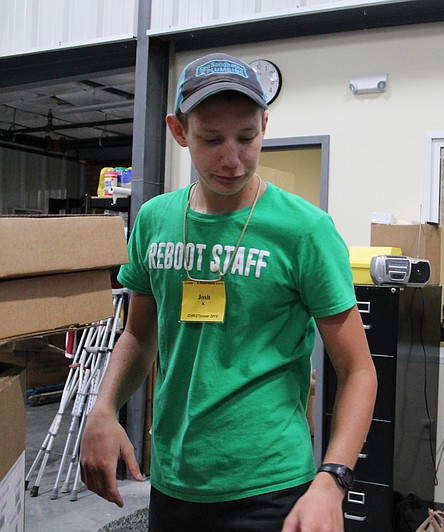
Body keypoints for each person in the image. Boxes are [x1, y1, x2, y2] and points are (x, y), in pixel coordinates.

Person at [80, 52, 377, 531]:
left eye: (247, 137)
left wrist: (332, 479)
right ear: (179, 131)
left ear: (264, 123)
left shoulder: (305, 231)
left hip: (271, 485)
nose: (232, 159)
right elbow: (138, 335)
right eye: (211, 139)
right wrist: (104, 406)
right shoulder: (155, 220)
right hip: (175, 482)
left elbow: (359, 370)